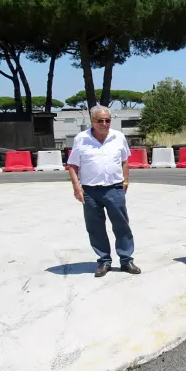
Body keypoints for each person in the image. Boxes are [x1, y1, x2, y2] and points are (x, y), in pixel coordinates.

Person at [66, 104, 140, 278]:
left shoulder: (118, 137)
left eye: (108, 120)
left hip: (114, 188)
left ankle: (126, 259)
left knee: (122, 226)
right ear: (92, 121)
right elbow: (72, 166)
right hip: (90, 192)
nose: (105, 124)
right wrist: (77, 188)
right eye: (101, 120)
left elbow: (125, 161)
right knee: (95, 228)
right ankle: (104, 261)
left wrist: (126, 181)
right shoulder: (81, 139)